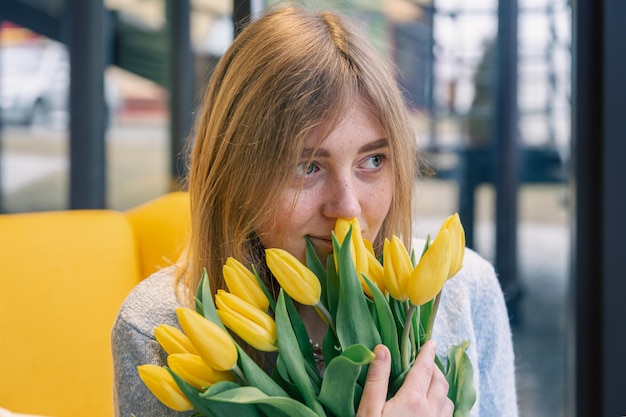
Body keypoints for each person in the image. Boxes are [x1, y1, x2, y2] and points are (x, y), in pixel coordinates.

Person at [112, 4, 518, 417]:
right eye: (307, 167)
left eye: (373, 160)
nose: (347, 206)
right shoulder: (160, 330)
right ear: (234, 179)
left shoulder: (465, 291)